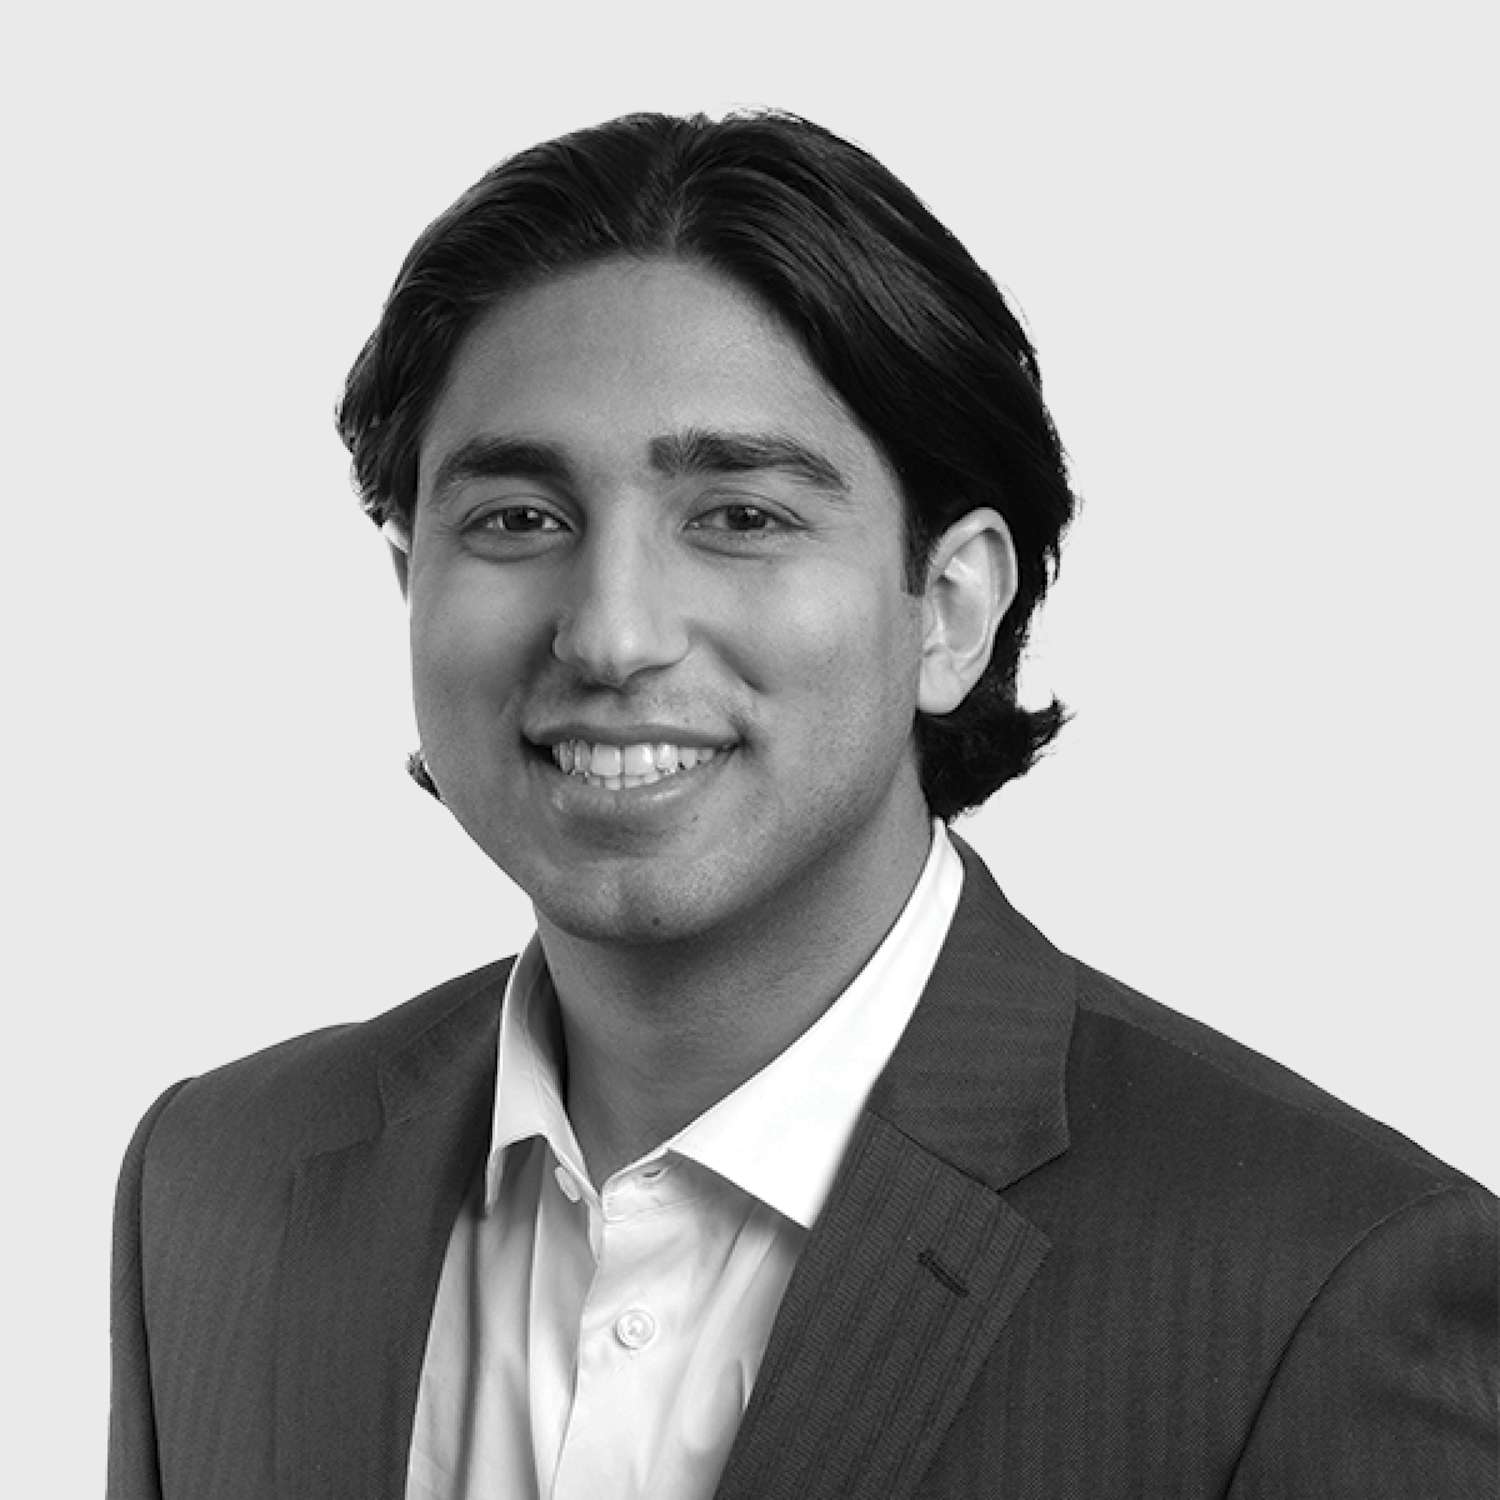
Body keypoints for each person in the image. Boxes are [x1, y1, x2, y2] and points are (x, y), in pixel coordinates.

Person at [108, 110, 1498, 1500]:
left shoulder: (1324, 1284)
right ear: (411, 578)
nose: (613, 635)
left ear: (949, 607)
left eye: (741, 517)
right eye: (518, 519)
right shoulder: (214, 1186)